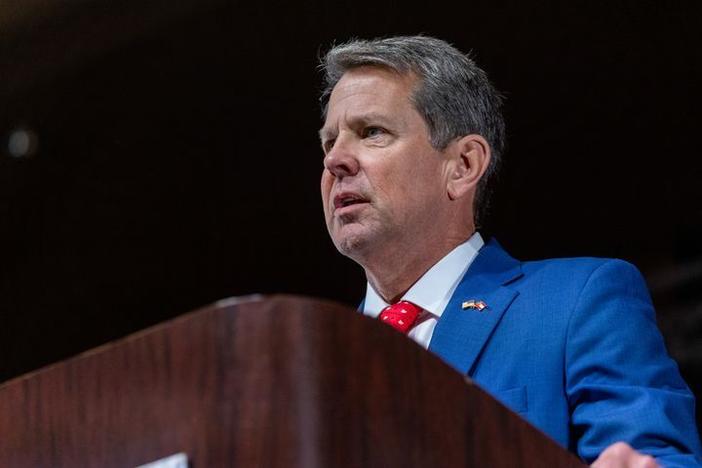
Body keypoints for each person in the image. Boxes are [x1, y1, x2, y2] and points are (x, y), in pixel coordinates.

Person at [318, 35, 702, 467]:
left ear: (463, 165)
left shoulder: (576, 302)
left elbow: (658, 459)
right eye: (329, 142)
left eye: (372, 132)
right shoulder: (316, 364)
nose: (336, 161)